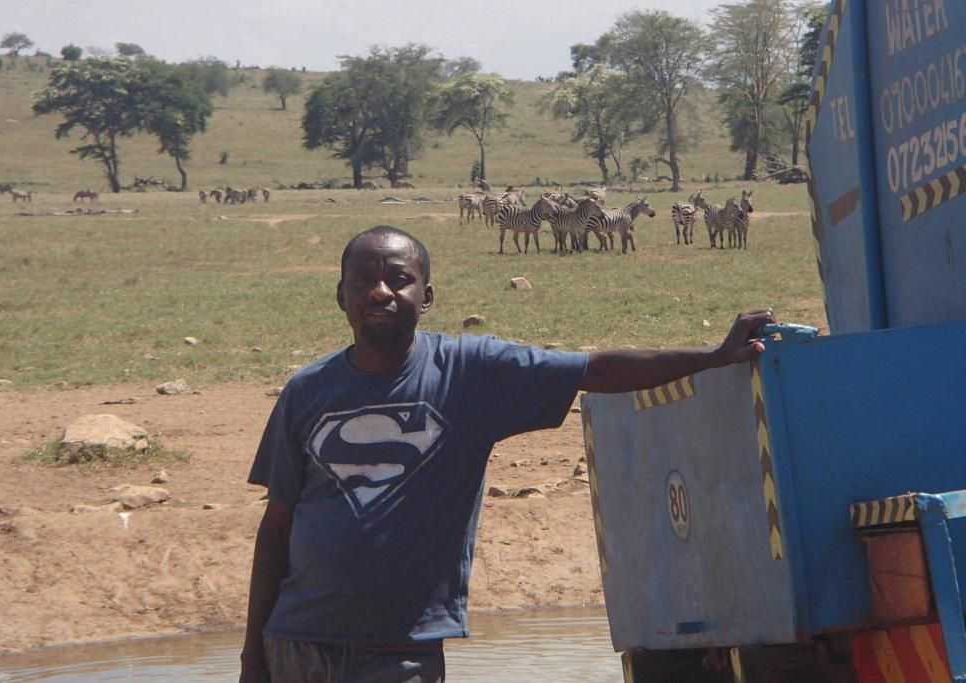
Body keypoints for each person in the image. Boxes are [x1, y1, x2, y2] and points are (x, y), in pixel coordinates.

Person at [241, 225, 774, 683]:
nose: (380, 291)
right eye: (363, 280)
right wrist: (251, 657)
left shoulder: (471, 373)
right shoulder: (306, 391)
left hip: (400, 649)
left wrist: (712, 356)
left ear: (426, 296)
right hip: (296, 643)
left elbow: (595, 369)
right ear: (341, 295)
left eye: (399, 279)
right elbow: (277, 524)